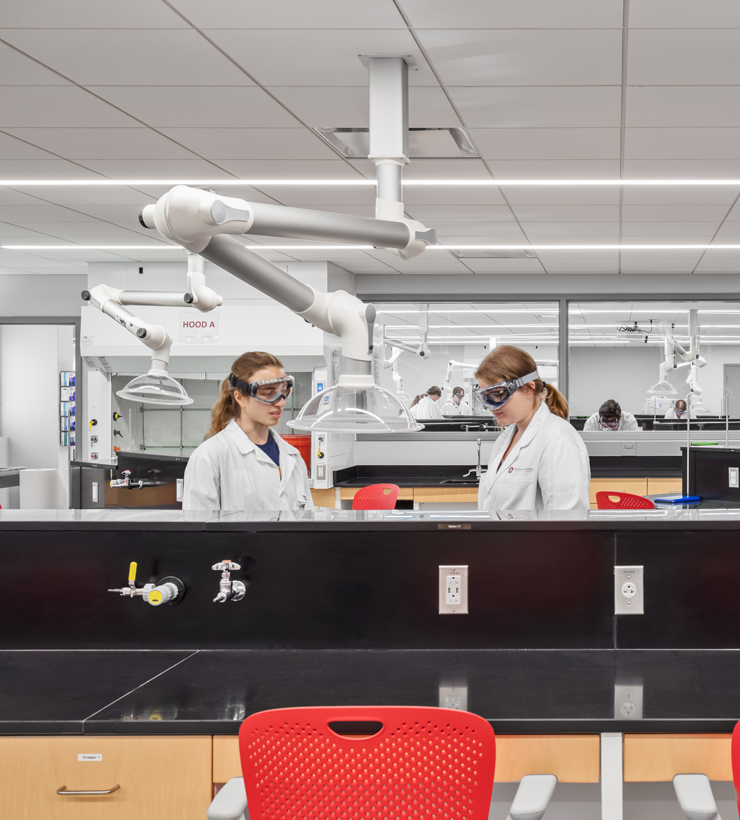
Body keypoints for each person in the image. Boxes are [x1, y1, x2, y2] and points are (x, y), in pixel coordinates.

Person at [183, 351, 313, 512]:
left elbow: (307, 522)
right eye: (268, 393)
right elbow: (199, 531)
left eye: (283, 392)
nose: (280, 403)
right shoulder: (208, 457)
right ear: (240, 398)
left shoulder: (293, 457)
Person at [475, 345, 590, 511]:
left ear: (528, 389)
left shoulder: (558, 440)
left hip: (530, 538)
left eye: (498, 394)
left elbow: (567, 523)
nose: (491, 406)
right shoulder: (505, 438)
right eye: (485, 397)